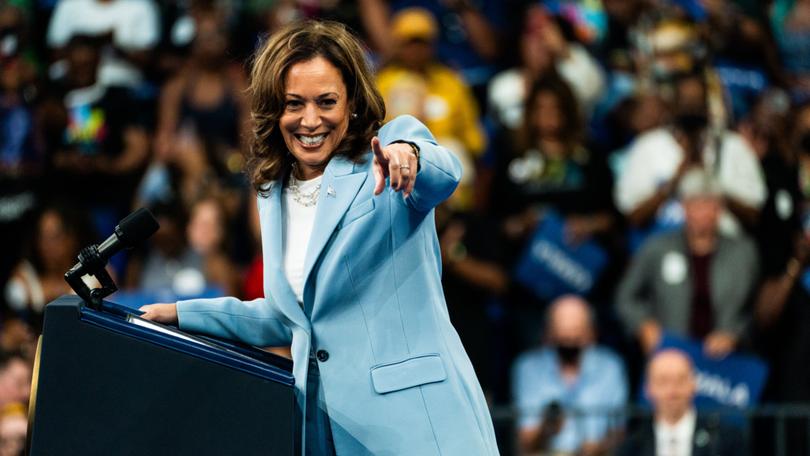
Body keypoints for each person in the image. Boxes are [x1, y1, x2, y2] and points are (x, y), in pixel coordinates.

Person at [140, 20, 498, 455]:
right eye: (294, 104)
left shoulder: (383, 157)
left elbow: (443, 176)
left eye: (326, 102)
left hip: (417, 427)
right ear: (275, 109)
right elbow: (290, 318)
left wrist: (411, 155)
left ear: (352, 104)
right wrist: (179, 314)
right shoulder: (272, 193)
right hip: (329, 431)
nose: (310, 120)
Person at [616, 168, 759, 358]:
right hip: (669, 353)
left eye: (709, 205)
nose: (702, 213)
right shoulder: (657, 247)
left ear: (720, 209)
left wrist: (734, 334)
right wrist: (643, 325)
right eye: (695, 204)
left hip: (722, 363)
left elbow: (755, 312)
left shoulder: (743, 252)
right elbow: (625, 297)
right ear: (683, 207)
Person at [512, 295, 627, 456]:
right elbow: (526, 443)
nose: (570, 343)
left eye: (576, 336)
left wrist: (598, 448)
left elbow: (619, 432)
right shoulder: (529, 368)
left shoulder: (610, 367)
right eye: (563, 337)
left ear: (591, 333)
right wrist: (547, 429)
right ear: (548, 334)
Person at [616, 349, 743, 456]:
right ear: (648, 389)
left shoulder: (726, 439)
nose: (672, 391)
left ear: (694, 384)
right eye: (663, 382)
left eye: (680, 380)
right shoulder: (630, 447)